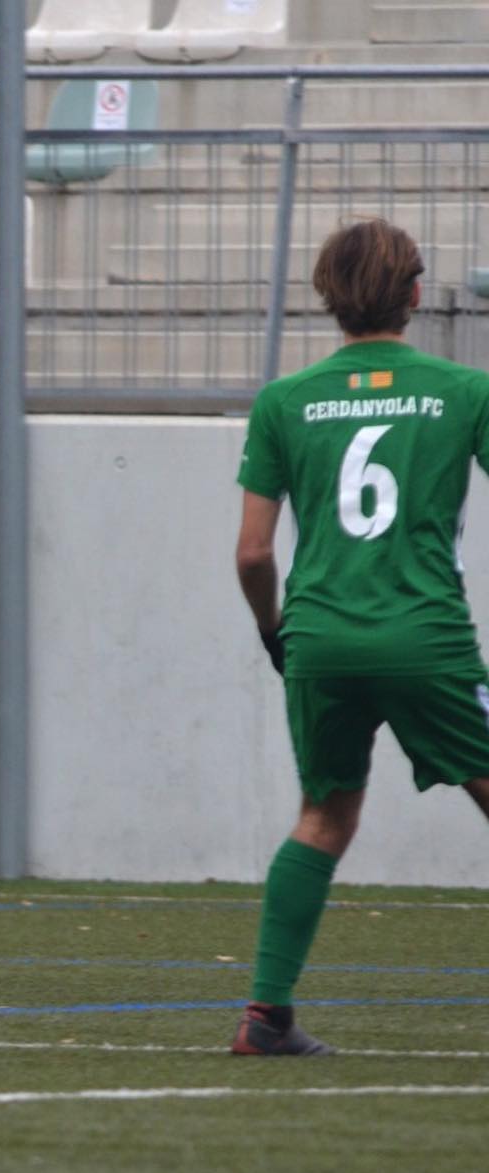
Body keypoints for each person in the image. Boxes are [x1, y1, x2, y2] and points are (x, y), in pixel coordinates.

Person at [234, 217, 489, 1053]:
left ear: (326, 299)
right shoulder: (464, 391)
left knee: (322, 817)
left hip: (321, 639)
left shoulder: (283, 401)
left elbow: (253, 553)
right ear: (416, 295)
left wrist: (277, 637)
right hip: (426, 637)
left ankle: (266, 1016)